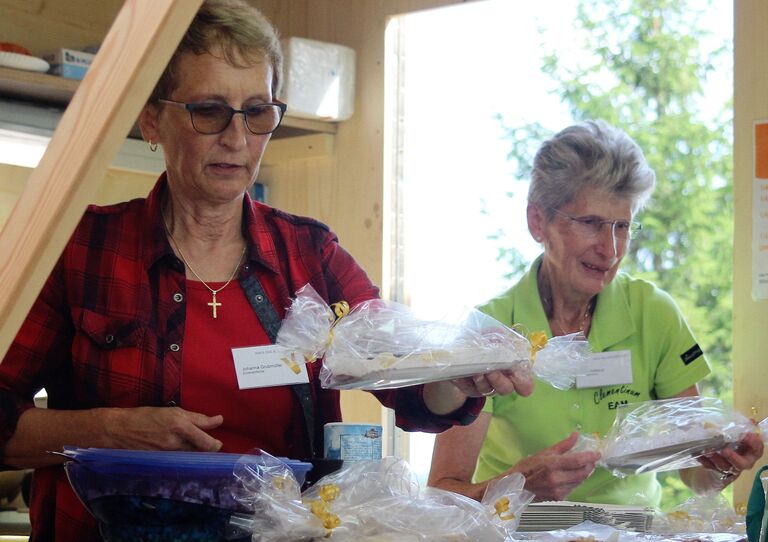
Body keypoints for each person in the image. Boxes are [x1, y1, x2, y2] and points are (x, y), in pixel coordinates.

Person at [0, 1, 531, 540]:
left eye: (257, 112)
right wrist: (109, 431)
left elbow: (412, 392)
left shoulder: (311, 256)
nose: (236, 138)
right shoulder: (84, 248)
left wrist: (457, 379)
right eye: (209, 110)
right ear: (152, 118)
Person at [428, 120, 764, 506]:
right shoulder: (488, 331)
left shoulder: (653, 313)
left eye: (622, 226)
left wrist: (725, 464)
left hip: (633, 533)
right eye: (591, 223)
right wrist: (518, 487)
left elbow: (695, 475)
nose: (611, 249)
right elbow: (442, 493)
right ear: (538, 221)